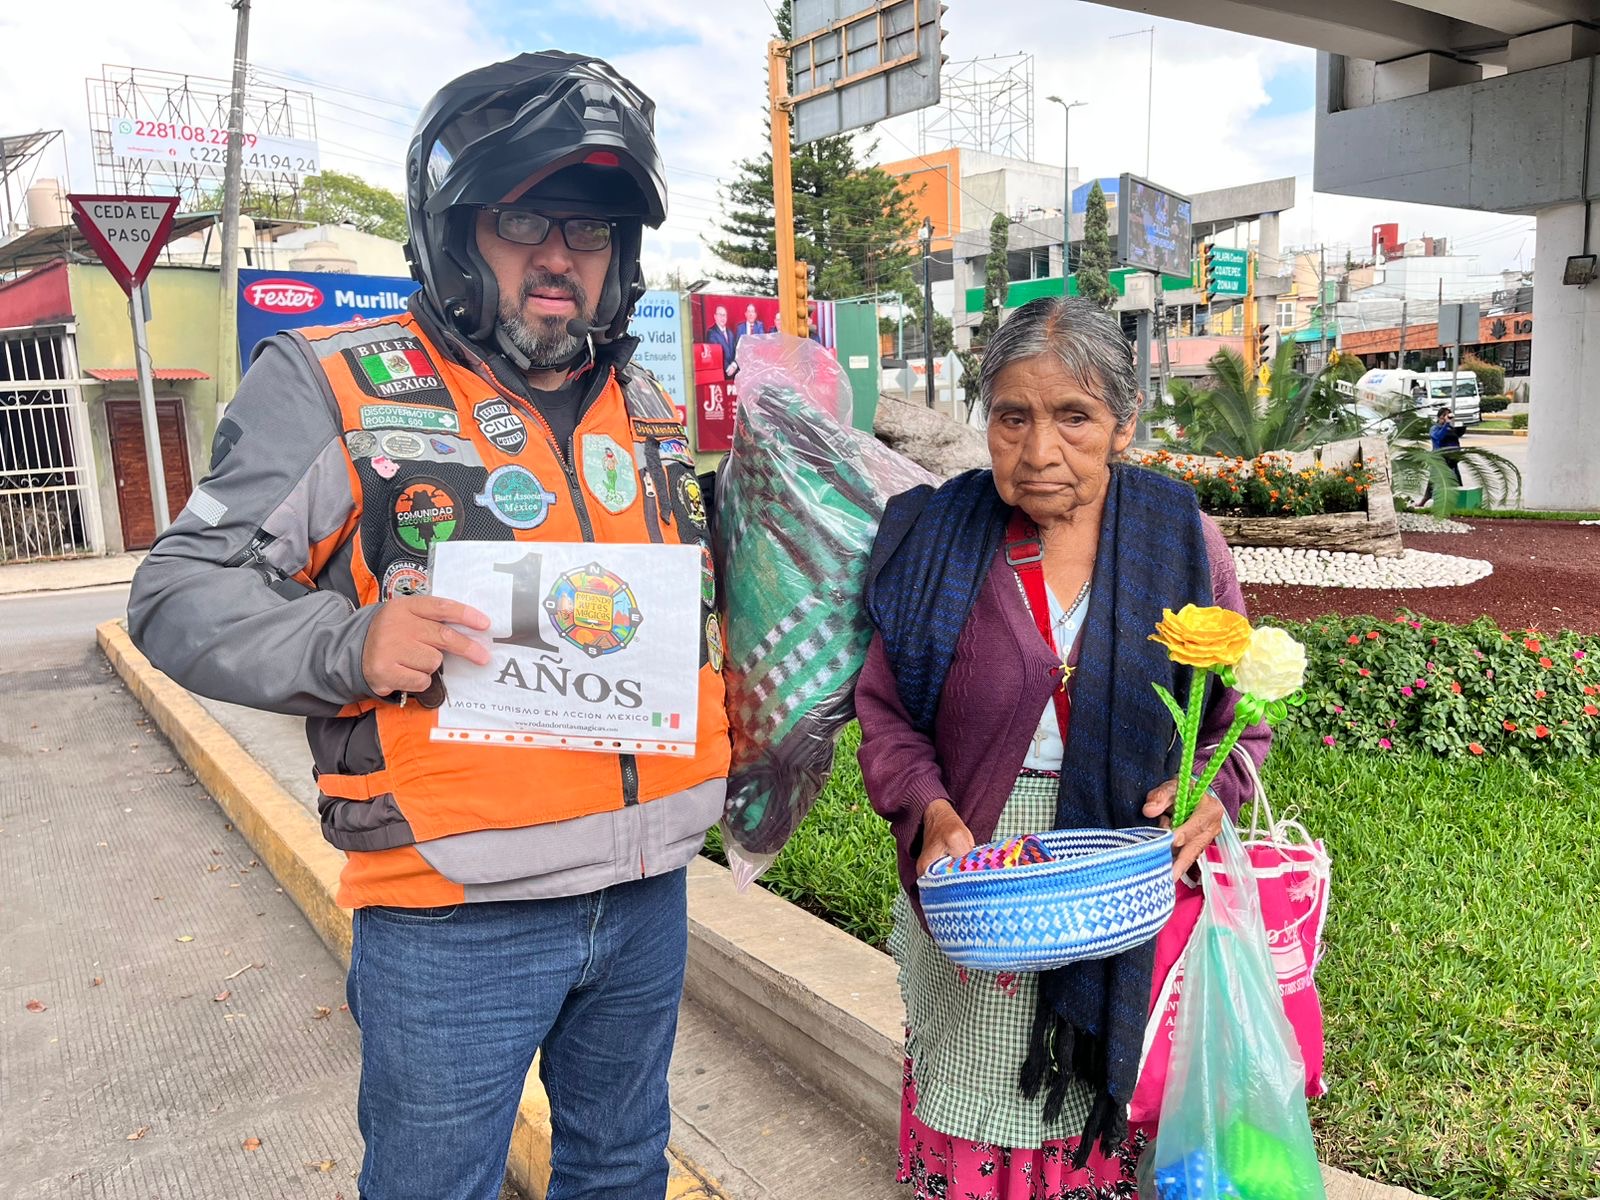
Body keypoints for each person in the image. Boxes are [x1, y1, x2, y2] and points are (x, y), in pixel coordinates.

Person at [127, 52, 729, 1200]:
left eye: (591, 229)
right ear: (457, 232)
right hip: (452, 910)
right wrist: (348, 644)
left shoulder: (648, 410)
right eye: (521, 218)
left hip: (648, 887)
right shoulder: (334, 383)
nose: (559, 254)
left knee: (620, 1169)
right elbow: (178, 588)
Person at [857, 296, 1271, 1199]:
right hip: (981, 871)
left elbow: (1241, 722)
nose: (1038, 451)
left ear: (1123, 427)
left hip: (1117, 872)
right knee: (976, 1090)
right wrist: (929, 811)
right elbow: (885, 712)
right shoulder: (940, 537)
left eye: (1073, 417)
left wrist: (1214, 796)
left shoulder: (1180, 542)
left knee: (1087, 1093)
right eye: (1013, 417)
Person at [1422, 405, 1464, 503]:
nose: (1446, 418)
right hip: (1439, 458)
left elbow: (1455, 442)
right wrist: (1445, 425)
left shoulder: (1450, 428)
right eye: (1444, 416)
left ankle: (1459, 500)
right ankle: (1426, 499)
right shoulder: (1434, 428)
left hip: (1451, 459)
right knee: (1434, 480)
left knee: (1456, 479)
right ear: (1440, 417)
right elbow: (1438, 437)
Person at [706, 303, 738, 378]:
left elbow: (736, 350)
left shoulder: (730, 333)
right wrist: (727, 368)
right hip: (722, 374)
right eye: (720, 315)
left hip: (734, 372)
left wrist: (734, 365)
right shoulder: (711, 332)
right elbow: (716, 354)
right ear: (715, 316)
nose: (722, 318)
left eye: (724, 315)